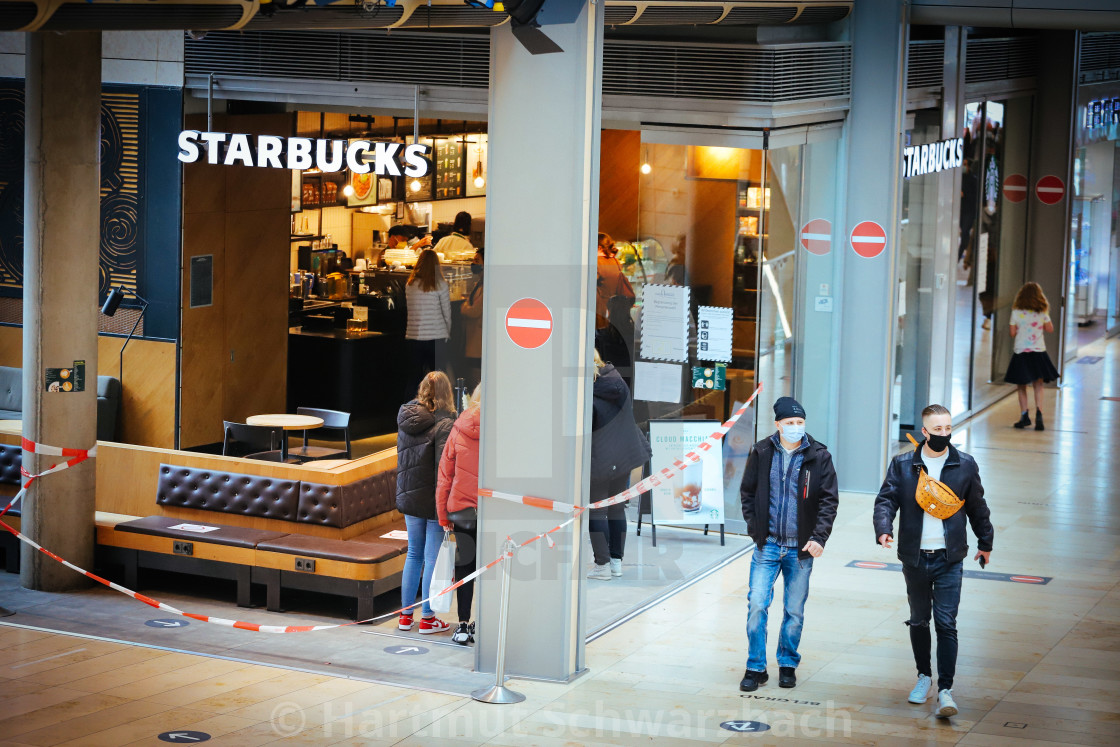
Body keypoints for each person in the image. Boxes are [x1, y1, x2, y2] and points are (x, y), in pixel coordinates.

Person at [874, 404, 994, 719]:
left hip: (949, 557)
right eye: (937, 429)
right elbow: (886, 500)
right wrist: (883, 529)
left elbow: (977, 506)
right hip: (914, 556)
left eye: (947, 428)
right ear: (924, 432)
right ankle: (924, 676)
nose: (944, 434)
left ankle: (945, 690)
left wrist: (985, 542)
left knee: (946, 623)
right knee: (918, 620)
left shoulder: (964, 465)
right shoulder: (903, 465)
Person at [739, 396, 838, 693]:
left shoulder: (819, 455)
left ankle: (787, 664)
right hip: (767, 545)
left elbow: (828, 501)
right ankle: (755, 667)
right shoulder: (762, 451)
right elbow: (748, 493)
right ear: (778, 424)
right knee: (757, 604)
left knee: (794, 611)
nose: (796, 427)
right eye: (790, 423)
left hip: (801, 548)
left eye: (800, 422)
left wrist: (818, 537)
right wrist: (755, 529)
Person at [394, 371, 456, 635]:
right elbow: (445, 467)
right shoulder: (445, 423)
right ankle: (428, 618)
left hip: (408, 495)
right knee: (430, 556)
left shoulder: (406, 417)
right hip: (431, 499)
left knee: (413, 553)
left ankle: (405, 617)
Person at [586, 349, 650, 581]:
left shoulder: (588, 393)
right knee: (616, 509)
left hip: (601, 460)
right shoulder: (616, 380)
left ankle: (601, 566)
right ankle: (615, 563)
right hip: (624, 457)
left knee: (597, 510)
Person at [436, 384, 481, 645]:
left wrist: (443, 515)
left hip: (462, 510)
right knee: (492, 568)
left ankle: (463, 625)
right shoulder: (504, 428)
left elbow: (445, 477)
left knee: (464, 568)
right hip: (492, 511)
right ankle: (486, 623)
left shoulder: (458, 427)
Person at [1005, 281, 1059, 431]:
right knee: (1038, 384)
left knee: (1021, 385)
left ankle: (1024, 416)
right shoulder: (1042, 312)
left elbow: (1012, 333)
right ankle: (1039, 414)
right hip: (1038, 351)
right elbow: (1050, 329)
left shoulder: (1016, 312)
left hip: (1021, 351)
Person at [405, 249, 451, 392]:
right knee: (439, 378)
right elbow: (447, 313)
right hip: (436, 336)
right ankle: (440, 409)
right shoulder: (441, 285)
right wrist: (447, 333)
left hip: (413, 337)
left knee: (414, 378)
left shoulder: (410, 285)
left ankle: (410, 409)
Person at [595, 233, 635, 383]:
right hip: (613, 315)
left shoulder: (597, 264)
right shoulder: (615, 263)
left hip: (598, 312)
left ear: (598, 247)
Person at [460, 249, 484, 390]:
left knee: (475, 379)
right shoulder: (479, 283)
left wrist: (464, 307)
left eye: (477, 260)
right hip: (473, 337)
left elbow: (475, 311)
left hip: (477, 339)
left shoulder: (487, 285)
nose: (473, 264)